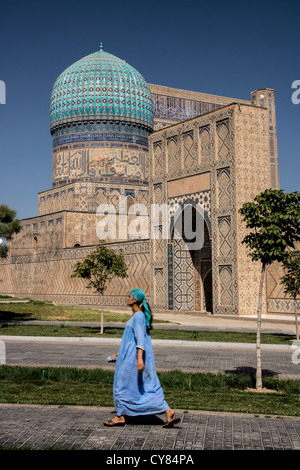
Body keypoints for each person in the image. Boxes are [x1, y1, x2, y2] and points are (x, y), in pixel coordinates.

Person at [104, 288, 179, 428]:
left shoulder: (138, 316)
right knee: (143, 386)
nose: (126, 298)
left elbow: (140, 340)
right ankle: (167, 411)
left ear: (135, 300)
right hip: (129, 355)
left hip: (132, 360)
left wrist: (139, 359)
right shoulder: (137, 316)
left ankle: (120, 416)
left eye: (129, 296)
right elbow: (133, 339)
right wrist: (119, 352)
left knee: (122, 385)